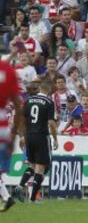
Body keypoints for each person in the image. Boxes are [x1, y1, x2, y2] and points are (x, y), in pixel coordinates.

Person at [12, 81, 58, 203]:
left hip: (29, 136)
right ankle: (33, 199)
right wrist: (55, 138)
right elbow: (51, 124)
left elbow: (21, 118)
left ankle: (19, 188)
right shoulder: (49, 102)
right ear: (48, 90)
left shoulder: (29, 101)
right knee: (40, 169)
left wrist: (22, 135)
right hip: (42, 136)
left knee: (31, 165)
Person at [0, 61, 22, 212]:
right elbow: (18, 104)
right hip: (3, 127)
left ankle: (6, 197)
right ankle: (7, 197)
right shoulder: (8, 69)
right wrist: (13, 135)